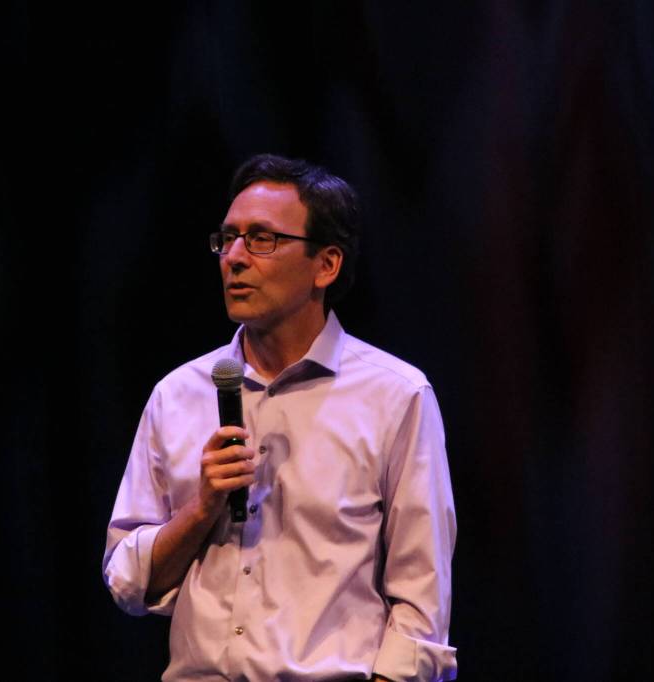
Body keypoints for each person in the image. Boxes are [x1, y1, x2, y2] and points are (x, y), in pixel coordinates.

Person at [103, 154, 458, 681]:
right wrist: (200, 510)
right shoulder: (178, 395)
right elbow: (128, 581)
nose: (235, 258)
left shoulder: (395, 396)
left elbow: (421, 606)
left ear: (326, 264)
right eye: (227, 239)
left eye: (262, 239)